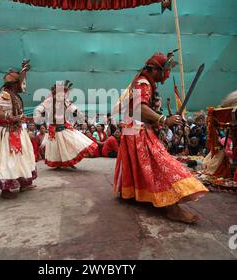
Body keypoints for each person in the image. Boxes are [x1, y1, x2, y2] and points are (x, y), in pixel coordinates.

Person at [114, 52, 208, 224]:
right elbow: (139, 108)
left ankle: (141, 196)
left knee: (145, 167)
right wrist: (163, 119)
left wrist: (160, 122)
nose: (167, 75)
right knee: (162, 166)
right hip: (138, 131)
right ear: (156, 70)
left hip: (134, 130)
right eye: (165, 71)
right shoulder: (143, 84)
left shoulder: (143, 82)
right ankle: (172, 208)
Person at [0, 62, 37, 199]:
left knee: (22, 157)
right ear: (13, 85)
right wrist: (9, 117)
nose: (22, 85)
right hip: (6, 134)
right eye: (20, 83)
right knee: (8, 159)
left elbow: (22, 83)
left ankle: (24, 183)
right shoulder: (5, 94)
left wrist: (24, 71)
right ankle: (5, 189)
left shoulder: (14, 95)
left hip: (17, 131)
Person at [35, 80, 97, 169]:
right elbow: (41, 108)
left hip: (63, 127)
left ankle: (69, 162)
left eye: (63, 94)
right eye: (60, 94)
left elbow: (73, 109)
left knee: (69, 145)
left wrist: (80, 114)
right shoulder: (49, 101)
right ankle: (58, 164)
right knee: (55, 148)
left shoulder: (65, 101)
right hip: (53, 128)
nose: (62, 96)